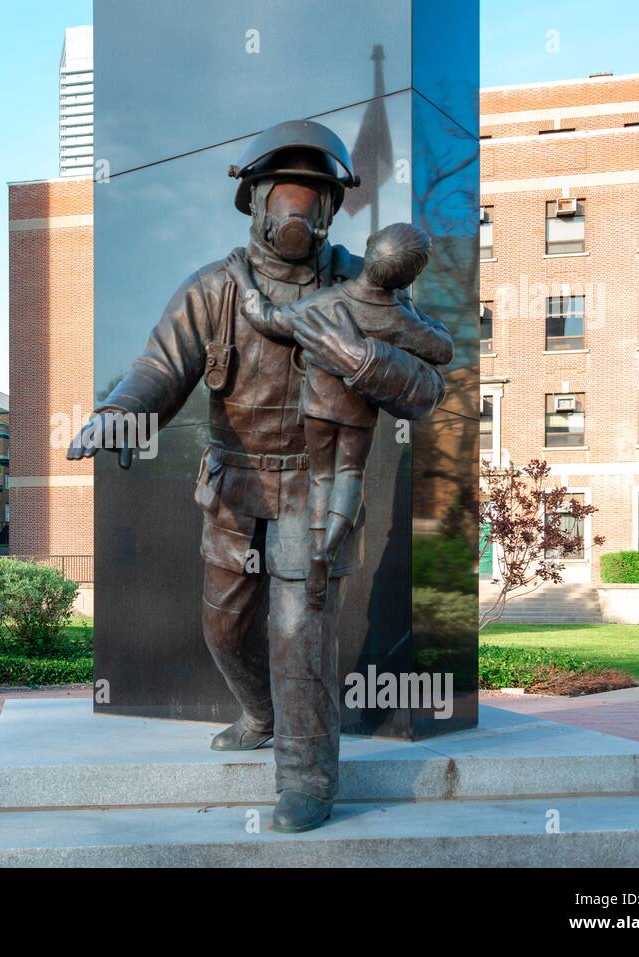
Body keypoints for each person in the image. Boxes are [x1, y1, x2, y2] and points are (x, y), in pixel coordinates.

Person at [68, 119, 447, 832]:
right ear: (256, 201)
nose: (298, 210)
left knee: (298, 626)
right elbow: (157, 369)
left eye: (313, 196)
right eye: (285, 194)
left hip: (317, 486)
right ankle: (262, 712)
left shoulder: (365, 290)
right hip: (237, 489)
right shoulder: (214, 290)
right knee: (223, 629)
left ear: (333, 208)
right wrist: (119, 413)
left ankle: (307, 777)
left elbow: (429, 388)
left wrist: (365, 361)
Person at [223, 222, 453, 610]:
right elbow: (443, 348)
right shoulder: (397, 319)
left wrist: (241, 274)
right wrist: (409, 306)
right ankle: (327, 554)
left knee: (321, 477)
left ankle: (314, 549)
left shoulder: (324, 302)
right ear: (409, 276)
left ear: (369, 250)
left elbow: (263, 316)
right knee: (349, 475)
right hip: (358, 413)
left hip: (317, 408)